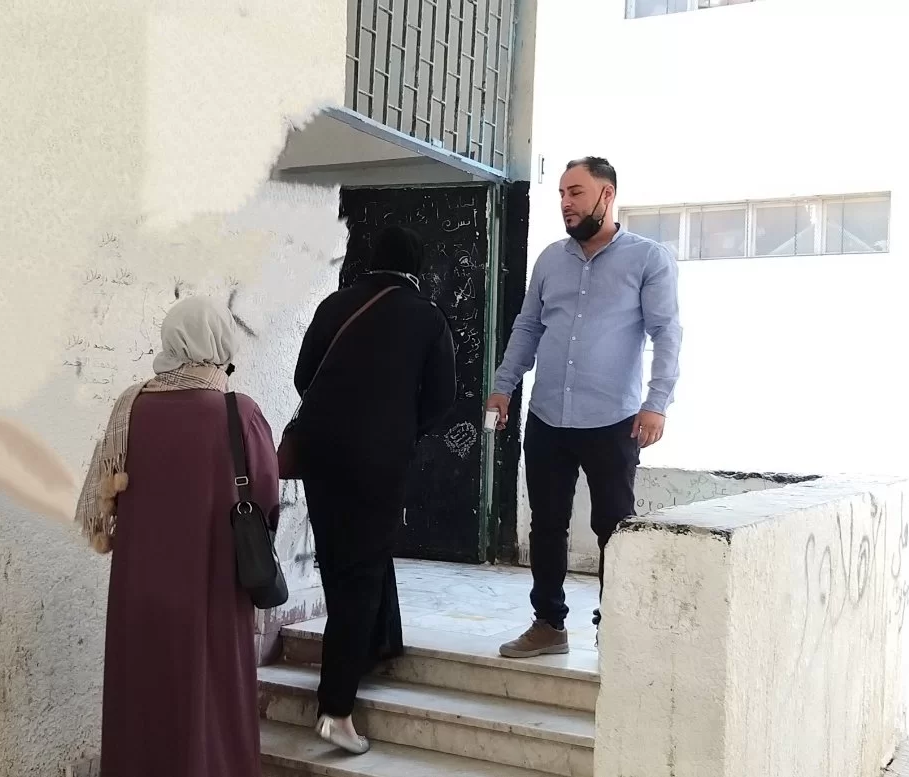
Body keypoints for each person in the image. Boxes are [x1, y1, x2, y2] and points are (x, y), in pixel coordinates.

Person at [487, 156, 683, 658]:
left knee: (613, 527)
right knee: (546, 524)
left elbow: (666, 333)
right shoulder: (550, 260)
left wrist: (657, 402)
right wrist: (503, 385)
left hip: (614, 420)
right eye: (561, 194)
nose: (565, 203)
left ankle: (613, 628)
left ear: (606, 195)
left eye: (575, 192)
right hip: (547, 415)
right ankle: (548, 624)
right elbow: (528, 327)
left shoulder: (648, 259)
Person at [76, 296, 280, 777]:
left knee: (142, 704)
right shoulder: (238, 413)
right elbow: (267, 500)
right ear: (220, 342)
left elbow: (108, 497)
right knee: (212, 703)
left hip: (139, 595)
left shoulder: (131, 407)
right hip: (213, 590)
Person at [291, 226, 456, 753]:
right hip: (378, 461)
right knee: (361, 573)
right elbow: (441, 399)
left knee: (340, 562)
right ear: (415, 266)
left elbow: (303, 377)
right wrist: (399, 428)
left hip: (320, 455)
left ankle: (373, 645)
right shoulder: (427, 316)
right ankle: (336, 709)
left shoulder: (333, 305)